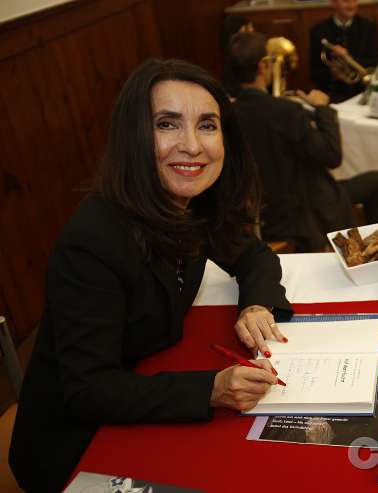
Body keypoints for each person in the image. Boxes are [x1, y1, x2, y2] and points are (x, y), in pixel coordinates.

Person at [9, 59, 294, 492]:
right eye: (167, 124)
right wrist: (212, 390)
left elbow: (253, 255)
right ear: (134, 137)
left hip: (149, 386)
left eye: (207, 125)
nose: (192, 146)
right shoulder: (94, 240)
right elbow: (88, 390)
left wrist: (254, 303)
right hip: (77, 441)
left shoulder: (194, 204)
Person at [226, 31, 378, 252]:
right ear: (263, 67)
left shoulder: (229, 113)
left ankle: (375, 249)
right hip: (302, 213)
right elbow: (332, 156)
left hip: (261, 215)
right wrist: (323, 109)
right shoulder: (285, 111)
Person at [309, 0, 378, 103]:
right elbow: (314, 72)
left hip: (361, 91)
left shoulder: (368, 26)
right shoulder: (318, 31)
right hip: (331, 93)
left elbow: (374, 61)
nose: (351, 5)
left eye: (354, 0)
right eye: (345, 1)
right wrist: (333, 74)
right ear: (333, 3)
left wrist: (347, 57)